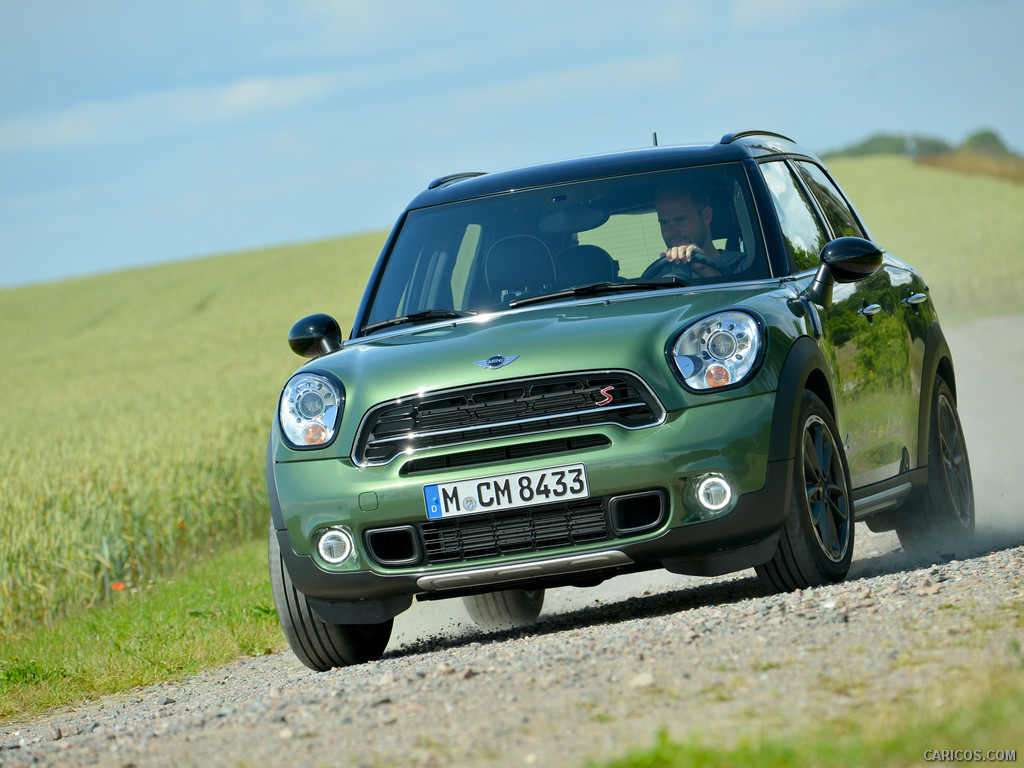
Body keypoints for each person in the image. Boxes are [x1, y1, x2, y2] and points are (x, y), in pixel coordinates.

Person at [651, 185, 748, 278]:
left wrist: (704, 268)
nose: (672, 231)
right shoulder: (657, 275)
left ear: (706, 215)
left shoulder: (744, 266)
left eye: (680, 220)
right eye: (664, 222)